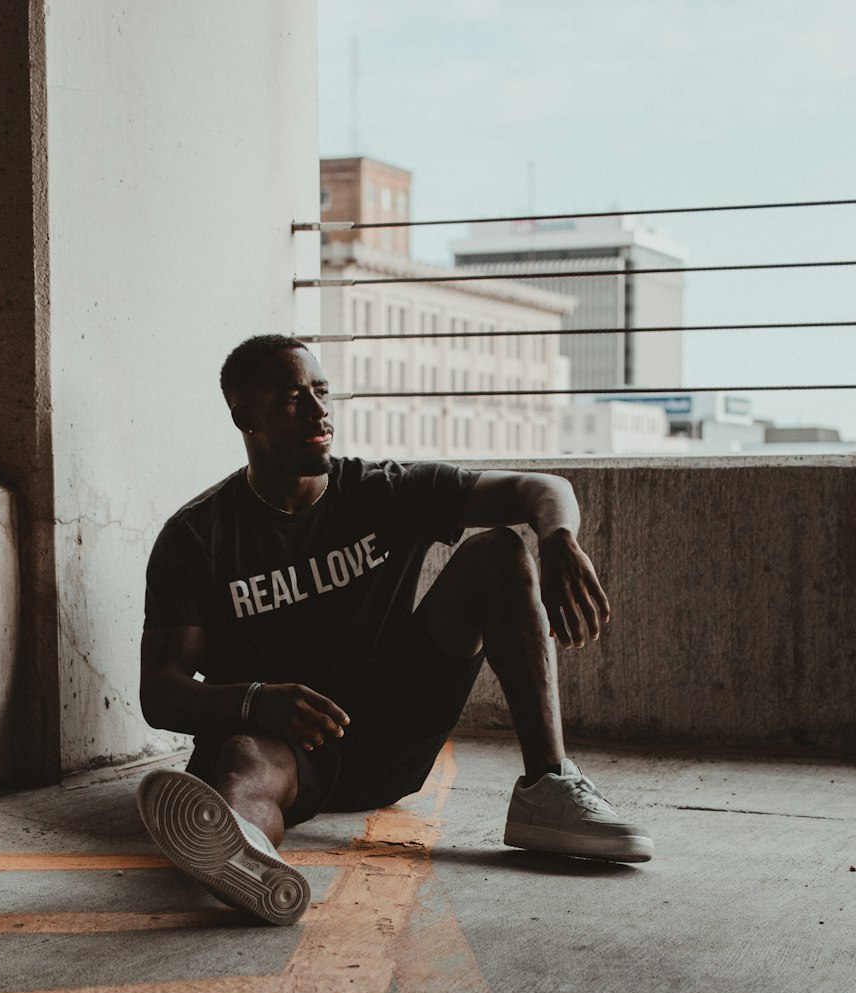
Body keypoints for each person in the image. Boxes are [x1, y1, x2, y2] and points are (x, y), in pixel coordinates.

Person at [136, 333, 652, 925]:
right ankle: (241, 854)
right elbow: (161, 690)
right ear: (243, 415)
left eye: (322, 392)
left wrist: (558, 538)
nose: (319, 410)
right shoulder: (200, 536)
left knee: (502, 552)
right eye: (292, 399)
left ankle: (548, 788)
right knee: (247, 759)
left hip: (393, 729)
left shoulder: (381, 491)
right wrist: (255, 702)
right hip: (287, 746)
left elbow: (542, 487)